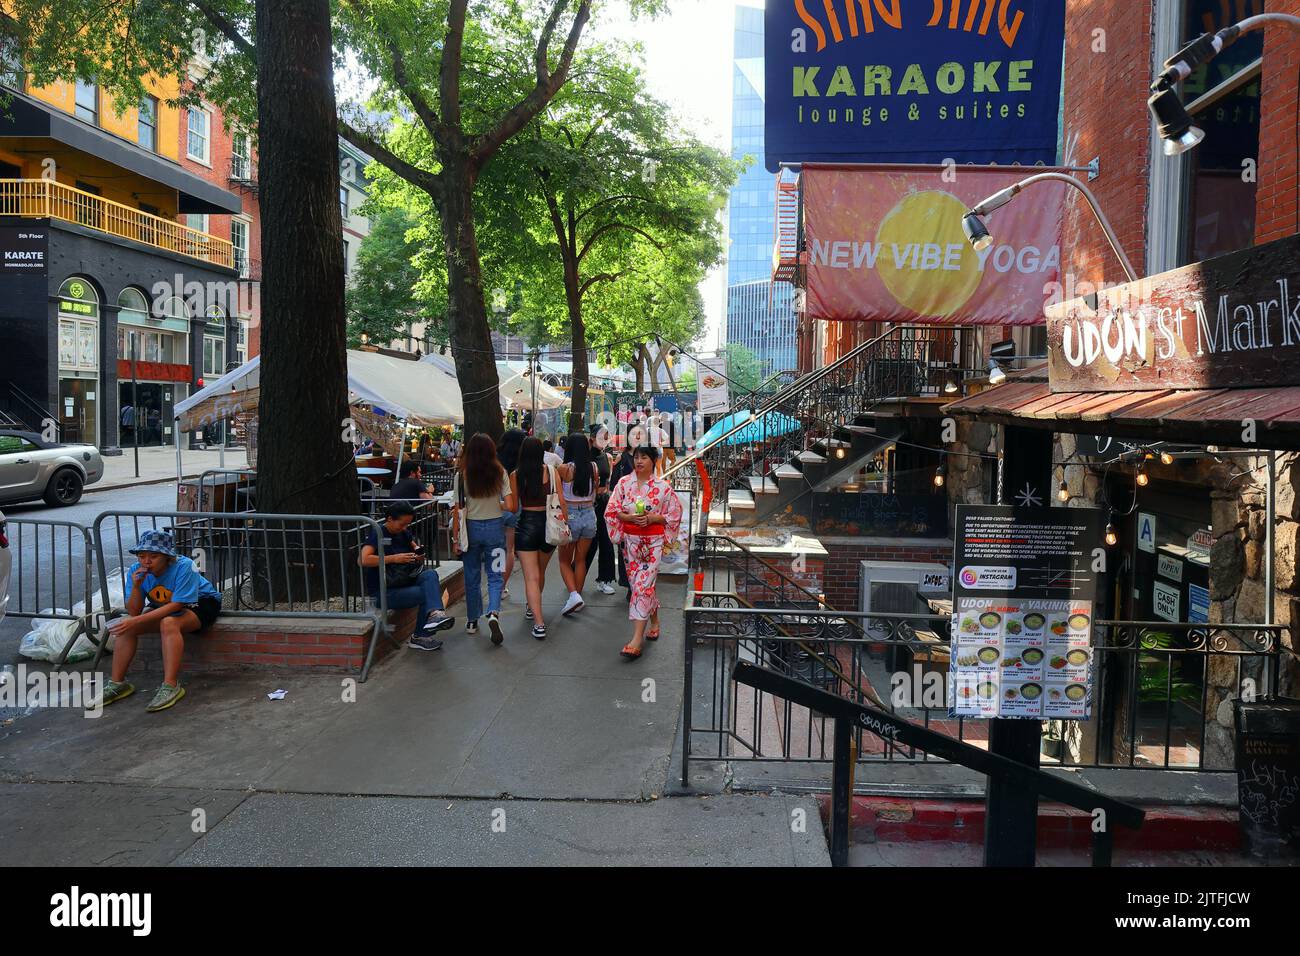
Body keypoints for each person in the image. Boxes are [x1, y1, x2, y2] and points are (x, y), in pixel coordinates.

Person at [94, 529, 223, 712]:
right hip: (164, 605)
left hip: (200, 602)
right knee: (126, 626)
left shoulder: (185, 565)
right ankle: (117, 683)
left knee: (168, 623)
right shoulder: (135, 571)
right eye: (142, 556)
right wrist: (137, 587)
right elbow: (134, 610)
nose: (146, 561)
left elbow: (178, 604)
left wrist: (136, 621)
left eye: (153, 556)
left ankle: (170, 685)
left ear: (167, 557)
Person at [606, 446, 682, 660]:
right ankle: (655, 622)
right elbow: (612, 511)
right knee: (641, 585)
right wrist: (629, 518)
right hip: (630, 543)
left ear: (654, 460)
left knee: (641, 587)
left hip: (653, 543)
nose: (638, 461)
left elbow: (674, 514)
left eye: (644, 457)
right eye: (636, 457)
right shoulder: (623, 484)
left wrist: (654, 518)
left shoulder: (663, 487)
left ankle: (636, 640)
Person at [360, 501, 454, 651]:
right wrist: (394, 558)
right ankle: (420, 636)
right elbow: (363, 559)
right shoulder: (378, 533)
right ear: (390, 519)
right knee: (427, 594)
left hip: (404, 580)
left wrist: (417, 555)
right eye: (402, 524)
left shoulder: (403, 533)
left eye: (407, 524)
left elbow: (413, 547)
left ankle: (436, 614)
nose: (405, 528)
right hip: (384, 591)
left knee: (430, 574)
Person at [451, 433, 514, 645]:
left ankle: (471, 620)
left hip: (471, 531)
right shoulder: (500, 472)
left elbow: (457, 509)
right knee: (495, 574)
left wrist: (455, 539)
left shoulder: (462, 476)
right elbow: (512, 506)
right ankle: (494, 612)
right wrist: (498, 505)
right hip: (495, 530)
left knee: (472, 576)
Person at [510, 436, 566, 639]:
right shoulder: (551, 472)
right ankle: (533, 608)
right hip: (549, 526)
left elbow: (514, 507)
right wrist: (565, 524)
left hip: (526, 526)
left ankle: (539, 622)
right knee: (540, 572)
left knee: (531, 577)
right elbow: (561, 501)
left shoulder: (515, 475)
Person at [556, 432, 603, 616]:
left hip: (571, 515)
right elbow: (596, 490)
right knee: (581, 559)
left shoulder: (565, 469)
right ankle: (577, 596)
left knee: (564, 560)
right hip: (590, 515)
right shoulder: (593, 467)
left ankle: (574, 595)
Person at [587, 423, 617, 595]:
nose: (604, 439)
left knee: (606, 542)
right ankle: (576, 577)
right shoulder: (585, 457)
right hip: (588, 504)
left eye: (606, 436)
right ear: (592, 438)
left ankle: (604, 579)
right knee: (588, 544)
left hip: (604, 502)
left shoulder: (608, 457)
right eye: (601, 436)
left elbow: (608, 481)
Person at [497, 428, 526, 598]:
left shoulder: (495, 463)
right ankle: (502, 587)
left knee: (498, 549)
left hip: (497, 507)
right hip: (515, 507)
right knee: (509, 549)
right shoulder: (522, 464)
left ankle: (496, 586)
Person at [610, 443, 636, 599]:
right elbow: (614, 485)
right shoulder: (622, 457)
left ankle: (638, 582)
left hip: (643, 507)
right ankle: (629, 584)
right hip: (625, 509)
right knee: (625, 548)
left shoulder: (647, 456)